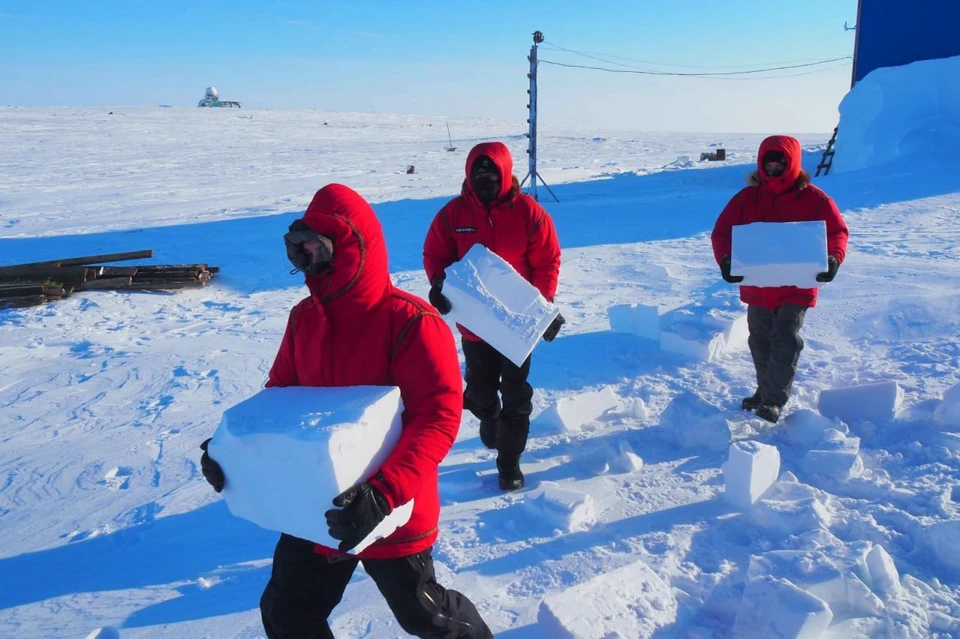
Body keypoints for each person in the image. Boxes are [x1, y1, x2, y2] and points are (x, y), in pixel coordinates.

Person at [200, 184, 492, 639]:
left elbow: (438, 417)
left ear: (352, 245)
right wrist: (231, 452)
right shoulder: (303, 319)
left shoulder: (411, 322)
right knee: (287, 614)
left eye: (318, 247)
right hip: (315, 506)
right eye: (301, 249)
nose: (309, 259)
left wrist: (383, 493)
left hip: (391, 507)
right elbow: (278, 400)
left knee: (426, 615)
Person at [423, 142, 563, 490]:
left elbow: (547, 260)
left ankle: (509, 464)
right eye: (478, 172)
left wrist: (541, 307)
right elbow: (435, 255)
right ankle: (489, 415)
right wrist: (440, 286)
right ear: (469, 175)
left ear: (504, 173)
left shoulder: (528, 212)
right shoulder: (453, 215)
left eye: (491, 172)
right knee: (481, 393)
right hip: (475, 327)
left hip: (517, 328)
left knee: (517, 395)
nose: (484, 178)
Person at [711, 135, 849, 424]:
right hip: (758, 286)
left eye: (780, 163)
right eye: (768, 163)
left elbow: (837, 232)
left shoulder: (815, 198)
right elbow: (722, 232)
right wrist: (726, 260)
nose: (773, 168)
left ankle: (774, 401)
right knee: (760, 342)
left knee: (785, 339)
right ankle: (764, 392)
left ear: (792, 164)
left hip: (796, 286)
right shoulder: (746, 199)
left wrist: (833, 258)